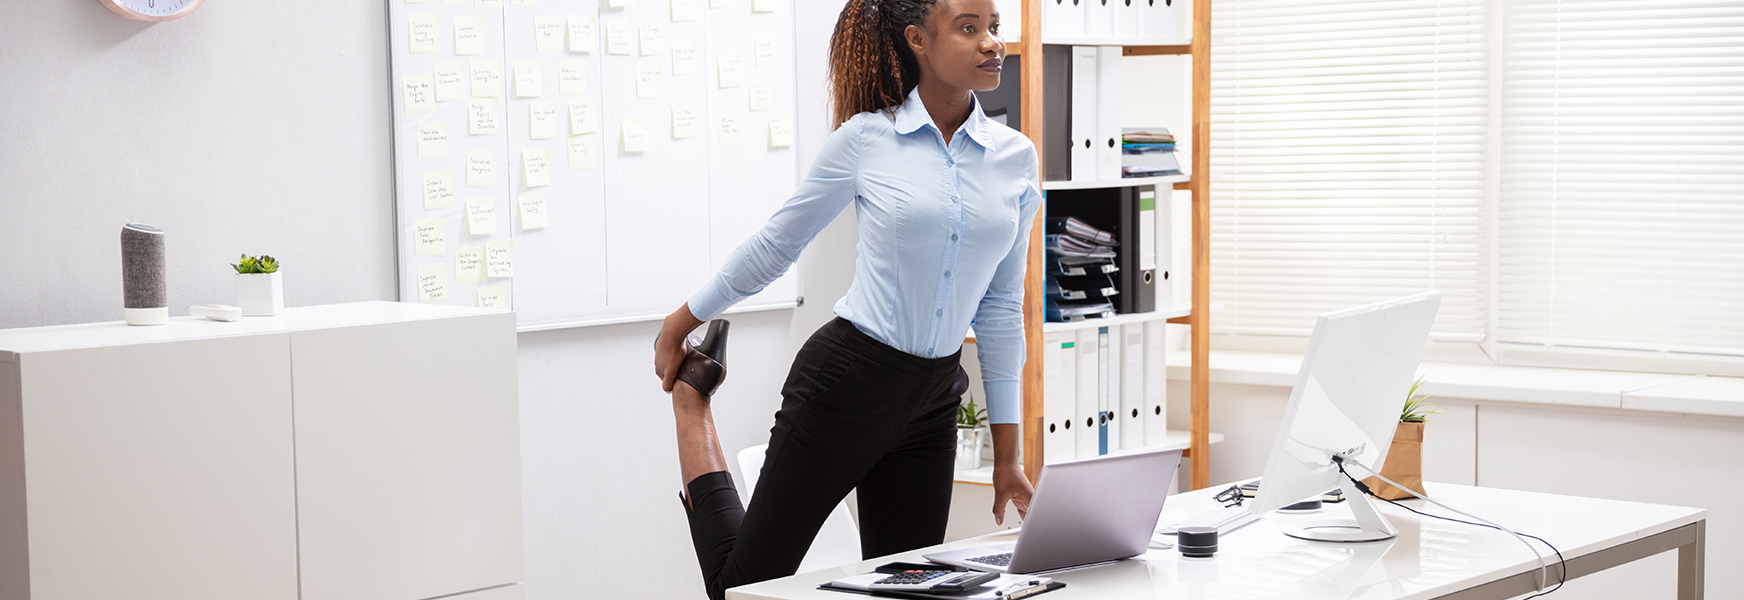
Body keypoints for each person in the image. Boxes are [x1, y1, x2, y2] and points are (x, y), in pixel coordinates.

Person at [652, 1, 1039, 597]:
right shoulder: (867, 140)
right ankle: (692, 407)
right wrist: (680, 322)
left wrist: (1009, 457)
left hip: (933, 398)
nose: (992, 43)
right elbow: (778, 244)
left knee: (911, 591)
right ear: (918, 40)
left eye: (994, 28)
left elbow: (999, 308)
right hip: (846, 384)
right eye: (970, 28)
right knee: (740, 589)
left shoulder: (1016, 159)